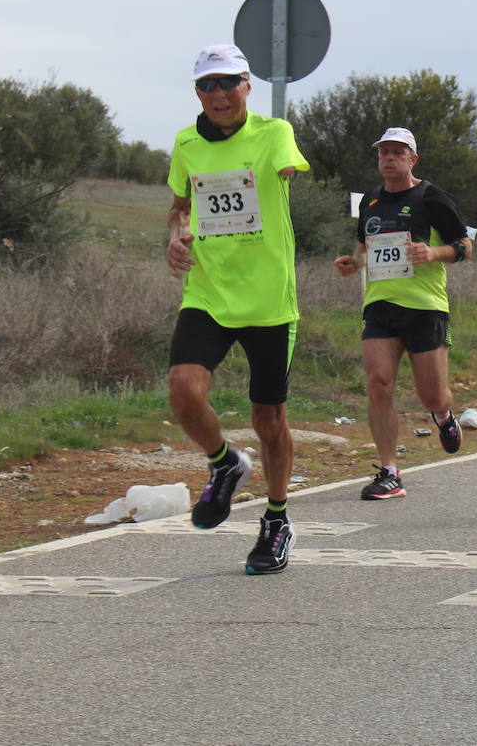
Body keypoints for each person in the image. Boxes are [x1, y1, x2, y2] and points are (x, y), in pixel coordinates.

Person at [166, 44, 309, 575]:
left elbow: (286, 169)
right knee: (183, 392)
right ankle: (225, 464)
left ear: (248, 85)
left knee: (268, 418)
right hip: (208, 291)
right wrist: (176, 239)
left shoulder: (273, 134)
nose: (219, 94)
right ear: (197, 93)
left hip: (269, 300)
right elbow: (179, 209)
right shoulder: (185, 143)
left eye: (229, 83)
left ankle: (276, 519)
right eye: (208, 85)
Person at [334, 128, 472, 501]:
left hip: (425, 307)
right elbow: (365, 242)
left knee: (431, 395)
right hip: (380, 306)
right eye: (383, 153)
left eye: (398, 152)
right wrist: (354, 261)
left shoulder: (431, 197)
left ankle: (444, 417)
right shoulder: (371, 201)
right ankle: (389, 471)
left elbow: (465, 245)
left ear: (413, 159)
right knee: (379, 383)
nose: (389, 158)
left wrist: (434, 253)